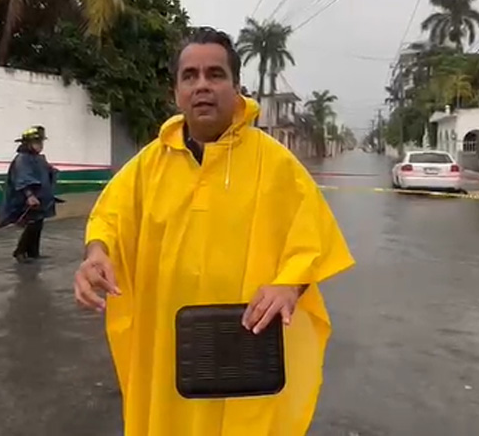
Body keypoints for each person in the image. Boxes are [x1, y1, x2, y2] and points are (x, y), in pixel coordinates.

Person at [74, 27, 355, 435]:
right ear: (175, 91)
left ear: (236, 86)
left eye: (215, 74)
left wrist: (288, 287)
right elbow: (109, 219)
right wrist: (96, 254)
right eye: (190, 76)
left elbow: (312, 243)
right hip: (169, 350)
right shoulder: (148, 165)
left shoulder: (275, 165)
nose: (202, 85)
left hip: (246, 348)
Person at [0, 126, 59, 263]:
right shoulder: (22, 159)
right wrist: (29, 195)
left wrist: (52, 171)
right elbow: (23, 178)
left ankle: (33, 253)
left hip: (41, 199)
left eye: (41, 142)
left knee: (38, 224)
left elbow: (45, 173)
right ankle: (20, 251)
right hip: (28, 200)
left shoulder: (38, 158)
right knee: (32, 224)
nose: (40, 145)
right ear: (28, 144)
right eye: (37, 142)